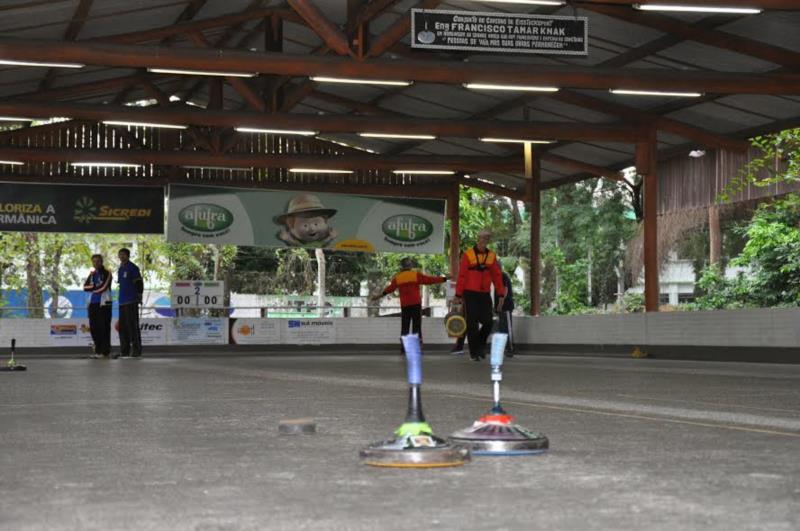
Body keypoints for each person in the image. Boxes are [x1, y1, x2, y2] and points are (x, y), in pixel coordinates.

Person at [374, 257, 447, 351]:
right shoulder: (415, 275)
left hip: (405, 306)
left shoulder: (398, 277)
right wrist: (444, 279)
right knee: (416, 326)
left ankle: (404, 348)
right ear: (410, 266)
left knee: (405, 326)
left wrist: (379, 295)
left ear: (402, 266)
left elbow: (390, 288)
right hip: (416, 304)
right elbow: (429, 280)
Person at [453, 229, 505, 361]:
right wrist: (458, 294)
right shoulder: (468, 255)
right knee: (472, 323)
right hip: (470, 293)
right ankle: (474, 352)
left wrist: (500, 293)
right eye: (482, 238)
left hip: (484, 294)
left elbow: (497, 276)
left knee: (488, 321)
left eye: (487, 238)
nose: (484, 240)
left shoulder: (491, 256)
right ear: (478, 239)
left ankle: (480, 345)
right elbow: (462, 275)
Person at [83, 254, 113, 359]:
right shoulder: (92, 274)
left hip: (104, 304)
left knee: (104, 327)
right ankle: (98, 351)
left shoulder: (107, 272)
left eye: (98, 261)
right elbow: (85, 287)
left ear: (102, 262)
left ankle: (105, 352)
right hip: (93, 303)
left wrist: (92, 288)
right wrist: (93, 287)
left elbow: (103, 287)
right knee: (94, 328)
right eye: (94, 261)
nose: (96, 263)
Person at [117, 248, 144, 359]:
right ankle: (125, 352)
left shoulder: (133, 268)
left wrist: (139, 296)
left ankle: (136, 352)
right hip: (122, 302)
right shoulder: (120, 269)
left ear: (128, 256)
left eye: (123, 255)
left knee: (132, 326)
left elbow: (139, 283)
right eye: (120, 255)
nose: (121, 257)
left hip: (131, 301)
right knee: (122, 327)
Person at [496, 270, 515, 357]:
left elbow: (505, 290)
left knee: (507, 328)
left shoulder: (502, 275)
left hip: (506, 306)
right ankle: (504, 349)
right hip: (501, 307)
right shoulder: (497, 276)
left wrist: (500, 304)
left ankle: (510, 349)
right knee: (502, 328)